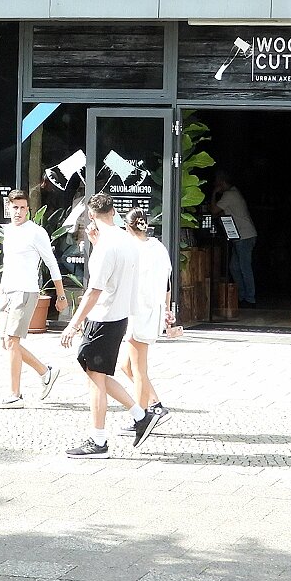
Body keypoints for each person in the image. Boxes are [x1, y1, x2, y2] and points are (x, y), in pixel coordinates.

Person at [58, 193, 158, 456]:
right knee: (96, 374)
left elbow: (94, 291)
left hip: (103, 317)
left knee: (95, 379)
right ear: (113, 212)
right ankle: (140, 415)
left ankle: (99, 439)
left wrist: (73, 324)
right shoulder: (126, 240)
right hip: (119, 316)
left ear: (91, 215)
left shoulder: (106, 247)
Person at [0, 189, 69, 409]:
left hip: (25, 291)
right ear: (8, 208)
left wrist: (61, 295)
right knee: (7, 343)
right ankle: (45, 372)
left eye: (23, 208)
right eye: (15, 207)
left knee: (12, 341)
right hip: (6, 291)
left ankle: (15, 395)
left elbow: (51, 263)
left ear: (28, 209)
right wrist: (1, 293)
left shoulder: (36, 232)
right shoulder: (8, 231)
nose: (19, 211)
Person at [115, 207, 172, 436]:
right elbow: (167, 283)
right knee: (127, 366)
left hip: (136, 311)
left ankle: (142, 417)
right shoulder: (158, 247)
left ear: (127, 227)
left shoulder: (130, 249)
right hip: (152, 310)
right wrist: (167, 309)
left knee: (138, 369)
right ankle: (156, 404)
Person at [210, 171, 257, 308]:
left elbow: (214, 210)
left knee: (244, 267)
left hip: (244, 235)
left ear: (222, 183)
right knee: (235, 267)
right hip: (242, 235)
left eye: (217, 184)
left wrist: (214, 193)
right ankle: (242, 296)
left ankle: (250, 299)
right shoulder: (234, 192)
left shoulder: (229, 195)